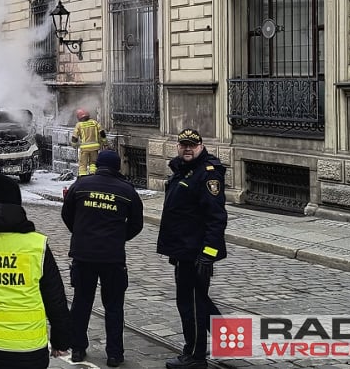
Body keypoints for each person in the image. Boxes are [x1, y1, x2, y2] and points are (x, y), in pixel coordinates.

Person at [0, 174, 70, 368]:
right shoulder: (36, 246)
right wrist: (61, 341)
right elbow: (55, 299)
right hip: (29, 350)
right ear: (18, 205)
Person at [61, 149, 143, 367]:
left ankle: (77, 349)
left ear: (97, 165)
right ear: (118, 167)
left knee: (81, 303)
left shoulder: (80, 185)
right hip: (113, 258)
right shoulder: (127, 190)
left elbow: (67, 214)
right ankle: (114, 354)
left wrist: (80, 233)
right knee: (114, 306)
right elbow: (137, 224)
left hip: (83, 255)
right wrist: (118, 238)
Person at [157, 128, 228, 369]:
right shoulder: (184, 170)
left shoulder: (207, 174)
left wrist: (207, 256)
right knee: (192, 301)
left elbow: (216, 218)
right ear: (178, 146)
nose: (187, 148)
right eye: (184, 145)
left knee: (193, 304)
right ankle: (228, 338)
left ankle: (196, 356)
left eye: (192, 145)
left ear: (201, 146)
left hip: (196, 253)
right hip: (183, 251)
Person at [70, 108, 105, 177]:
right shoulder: (94, 122)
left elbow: (74, 136)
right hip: (94, 148)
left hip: (84, 149)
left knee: (83, 164)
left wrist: (73, 144)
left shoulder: (79, 125)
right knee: (93, 163)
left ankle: (82, 176)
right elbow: (102, 132)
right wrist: (104, 141)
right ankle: (93, 175)